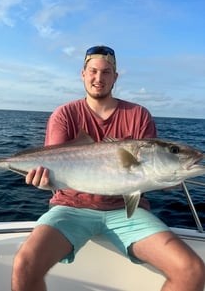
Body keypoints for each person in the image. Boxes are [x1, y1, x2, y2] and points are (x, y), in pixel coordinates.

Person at [12, 45, 205, 291]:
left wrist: (169, 178)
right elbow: (52, 164)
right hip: (70, 208)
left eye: (106, 72)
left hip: (128, 213)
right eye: (93, 71)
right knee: (24, 265)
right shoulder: (65, 114)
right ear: (83, 74)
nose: (99, 78)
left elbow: (148, 176)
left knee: (191, 270)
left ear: (115, 77)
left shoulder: (139, 115)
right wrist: (43, 181)